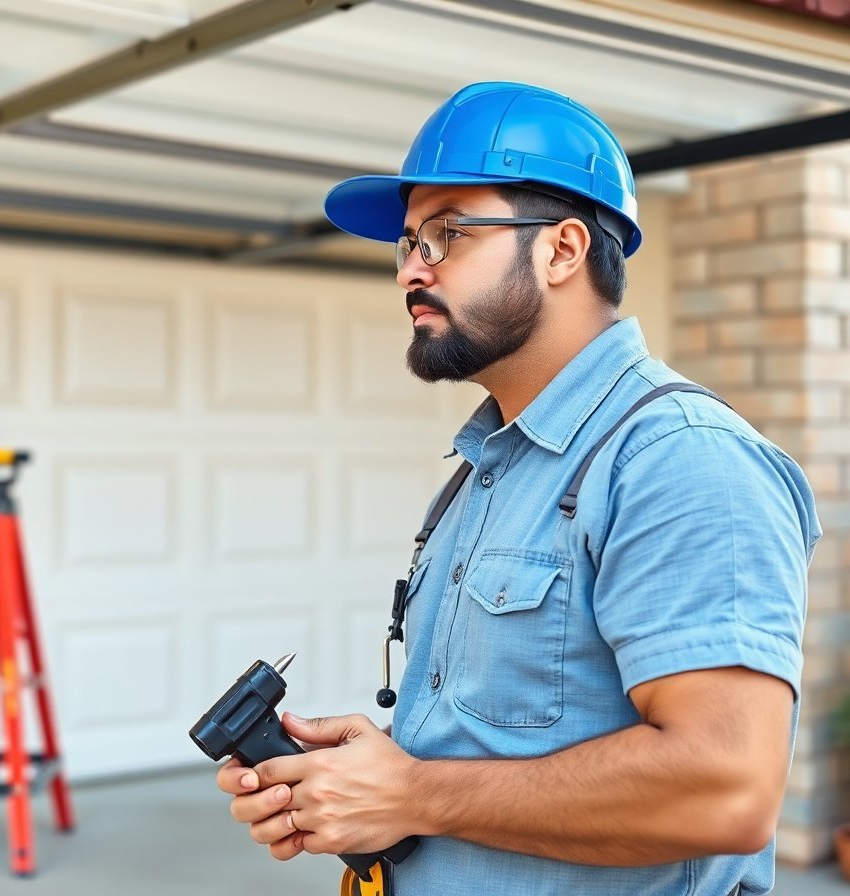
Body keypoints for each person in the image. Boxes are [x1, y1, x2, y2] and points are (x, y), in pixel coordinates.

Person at [215, 81, 821, 896]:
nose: (409, 272)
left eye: (447, 235)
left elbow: (726, 788)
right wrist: (374, 774)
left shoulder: (679, 460)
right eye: (406, 244)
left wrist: (416, 792)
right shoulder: (490, 466)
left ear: (563, 250)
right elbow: (511, 740)